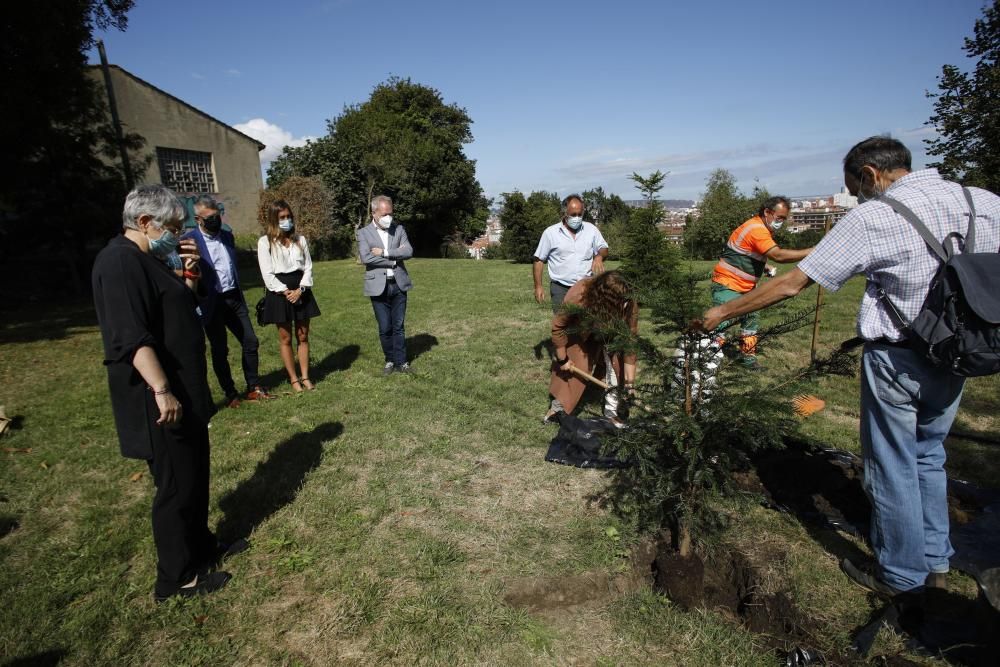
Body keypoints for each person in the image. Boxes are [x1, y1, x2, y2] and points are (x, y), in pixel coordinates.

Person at [699, 136, 1000, 597]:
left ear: (869, 175)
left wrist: (721, 312)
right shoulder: (983, 202)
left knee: (891, 464)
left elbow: (791, 285)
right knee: (930, 455)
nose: (859, 196)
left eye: (856, 187)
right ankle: (937, 558)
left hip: (900, 359)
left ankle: (902, 575)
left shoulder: (876, 215)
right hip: (964, 353)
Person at [92, 184, 232, 601]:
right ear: (145, 222)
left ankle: (201, 547)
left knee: (194, 473)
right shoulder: (118, 262)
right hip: (159, 396)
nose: (177, 233)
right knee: (174, 485)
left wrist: (188, 275)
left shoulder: (146, 257)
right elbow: (130, 336)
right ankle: (176, 576)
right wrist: (162, 389)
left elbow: (174, 310)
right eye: (171, 226)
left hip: (183, 388)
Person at [182, 195, 271, 407]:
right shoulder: (188, 241)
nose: (215, 220)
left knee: (250, 341)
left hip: (234, 298)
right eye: (210, 217)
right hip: (211, 302)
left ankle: (253, 386)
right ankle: (230, 393)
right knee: (220, 349)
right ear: (198, 219)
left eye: (217, 215)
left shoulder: (227, 237)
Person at [708, 196, 813, 368]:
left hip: (744, 286)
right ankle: (707, 357)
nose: (781, 222)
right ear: (767, 212)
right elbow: (779, 255)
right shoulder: (757, 229)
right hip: (728, 284)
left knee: (750, 320)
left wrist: (764, 266)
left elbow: (746, 253)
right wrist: (813, 251)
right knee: (721, 321)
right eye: (779, 218)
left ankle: (749, 360)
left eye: (784, 219)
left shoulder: (758, 227)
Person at [546, 270, 638, 426]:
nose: (624, 304)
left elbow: (630, 341)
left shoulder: (628, 301)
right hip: (581, 328)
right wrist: (563, 359)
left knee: (618, 364)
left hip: (612, 331)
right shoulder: (580, 295)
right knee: (576, 364)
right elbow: (558, 326)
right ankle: (558, 408)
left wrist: (630, 382)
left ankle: (613, 413)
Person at [257, 200, 320, 391]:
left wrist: (300, 290)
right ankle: (294, 379)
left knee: (303, 336)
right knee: (285, 338)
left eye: (289, 217)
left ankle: (305, 376)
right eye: (282, 218)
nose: (287, 220)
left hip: (301, 289)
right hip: (279, 293)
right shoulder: (265, 242)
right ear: (274, 220)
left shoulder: (300, 240)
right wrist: (286, 292)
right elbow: (267, 273)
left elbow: (308, 267)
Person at [358, 195, 414, 375]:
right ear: (374, 213)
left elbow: (408, 251)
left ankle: (402, 361)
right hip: (378, 286)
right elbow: (366, 257)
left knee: (398, 326)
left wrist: (385, 252)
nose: (388, 217)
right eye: (384, 214)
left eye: (390, 213)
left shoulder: (399, 229)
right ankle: (390, 360)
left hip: (398, 284)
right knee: (385, 327)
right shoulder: (364, 233)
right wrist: (391, 261)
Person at [533, 194, 609, 313]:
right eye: (573, 215)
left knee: (586, 325)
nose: (577, 218)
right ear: (564, 213)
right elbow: (539, 260)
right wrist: (538, 286)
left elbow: (604, 248)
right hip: (560, 288)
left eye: (580, 214)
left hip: (586, 286)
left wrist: (599, 257)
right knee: (562, 325)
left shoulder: (591, 230)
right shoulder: (550, 233)